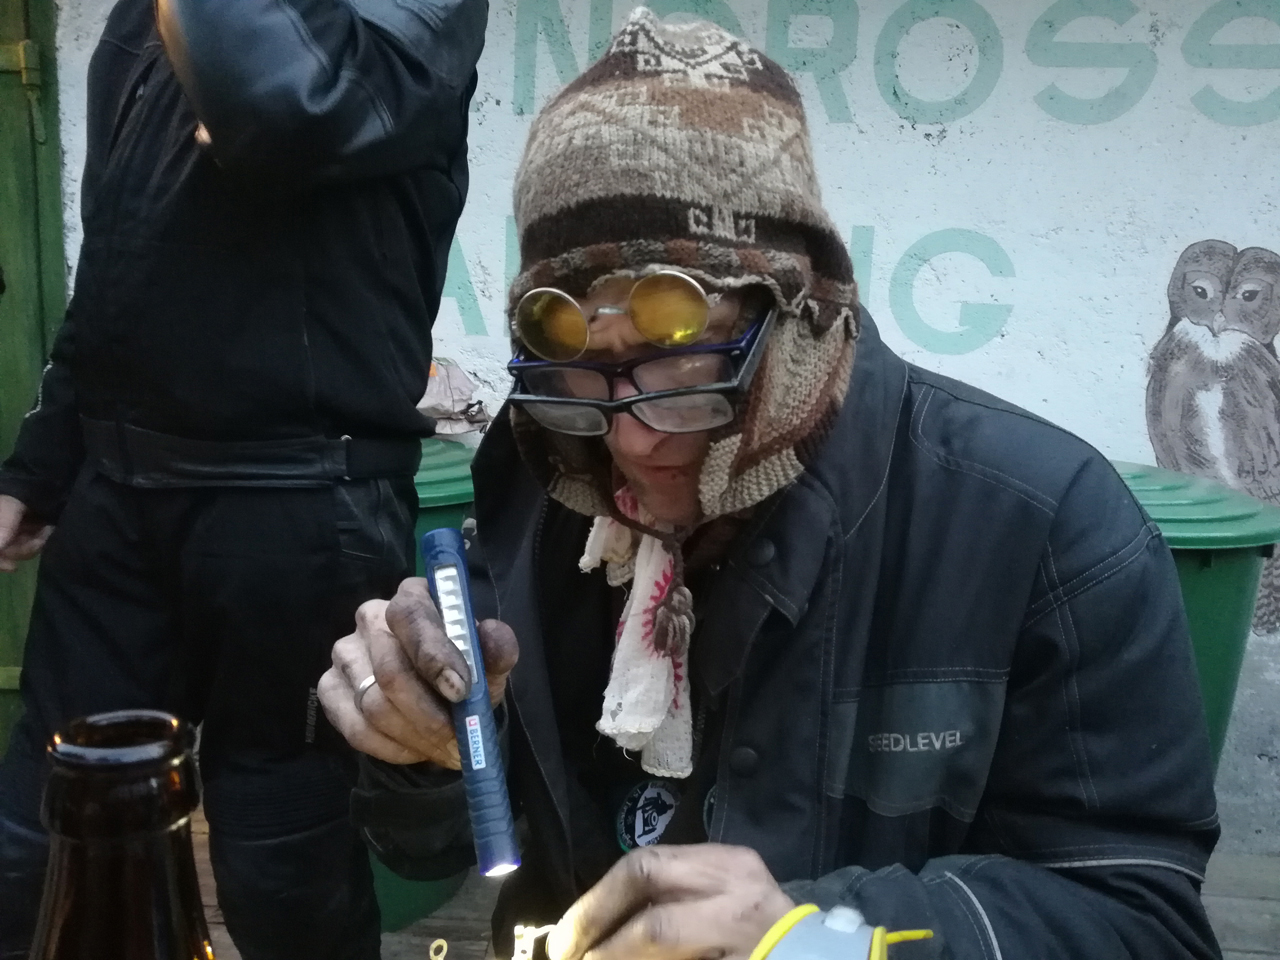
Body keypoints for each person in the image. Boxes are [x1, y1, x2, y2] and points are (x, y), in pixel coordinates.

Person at [319, 9, 1223, 960]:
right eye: (584, 367)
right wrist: (424, 748)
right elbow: (435, 853)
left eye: (683, 361)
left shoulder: (1045, 529)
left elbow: (1144, 926)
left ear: (800, 318)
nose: (630, 439)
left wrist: (821, 941)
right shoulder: (540, 484)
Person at [0, 1, 487, 958]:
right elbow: (113, 269)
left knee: (284, 862)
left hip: (297, 509)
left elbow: (284, 104)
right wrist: (41, 465)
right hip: (118, 498)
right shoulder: (143, 25)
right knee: (45, 836)